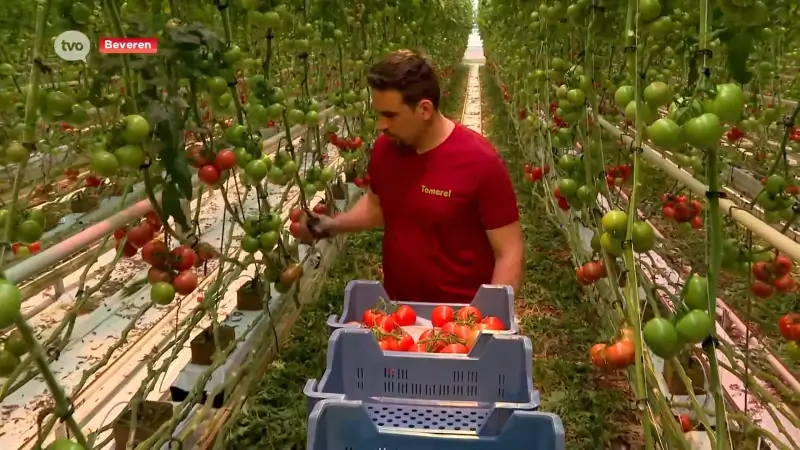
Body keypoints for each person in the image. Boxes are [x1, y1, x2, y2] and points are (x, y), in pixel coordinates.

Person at [300, 50, 524, 304]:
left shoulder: (480, 162)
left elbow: (509, 252)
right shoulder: (386, 150)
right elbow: (376, 206)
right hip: (400, 314)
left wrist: (487, 321)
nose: (381, 125)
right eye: (379, 114)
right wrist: (333, 225)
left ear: (424, 109)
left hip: (460, 319)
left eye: (390, 115)